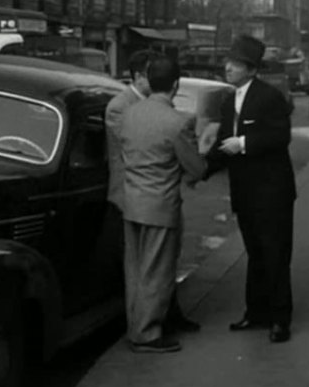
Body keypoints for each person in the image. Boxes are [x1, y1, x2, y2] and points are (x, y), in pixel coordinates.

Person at [206, 34, 297, 343]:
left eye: (235, 63)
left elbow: (280, 137)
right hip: (245, 192)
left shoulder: (269, 97)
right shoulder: (229, 99)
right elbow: (221, 144)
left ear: (251, 69)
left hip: (272, 192)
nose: (227, 67)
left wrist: (243, 143)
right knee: (255, 253)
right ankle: (256, 313)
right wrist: (199, 169)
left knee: (275, 253)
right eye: (228, 62)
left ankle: (280, 319)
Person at [106, 50, 200, 336]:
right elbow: (194, 167)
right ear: (175, 85)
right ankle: (146, 333)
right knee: (156, 272)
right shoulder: (176, 121)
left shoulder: (131, 113)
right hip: (158, 203)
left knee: (136, 272)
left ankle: (142, 327)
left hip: (135, 199)